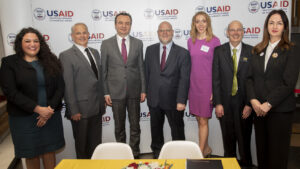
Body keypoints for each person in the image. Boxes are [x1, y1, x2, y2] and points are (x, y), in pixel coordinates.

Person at [0, 27, 65, 169]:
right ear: (20, 43)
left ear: (40, 43)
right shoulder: (9, 63)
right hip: (24, 118)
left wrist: (48, 110)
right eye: (27, 41)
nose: (32, 44)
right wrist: (38, 109)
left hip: (50, 115)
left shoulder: (51, 60)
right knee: (31, 154)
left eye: (36, 41)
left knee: (49, 151)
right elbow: (10, 92)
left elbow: (60, 87)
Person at [247, 9, 300, 169]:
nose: (275, 26)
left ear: (285, 27)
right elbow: (249, 78)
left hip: (280, 111)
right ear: (266, 26)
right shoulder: (257, 49)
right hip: (259, 110)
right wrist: (253, 100)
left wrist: (268, 104)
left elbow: (288, 82)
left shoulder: (292, 50)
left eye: (279, 23)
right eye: (271, 22)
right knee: (262, 154)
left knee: (277, 156)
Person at [101, 12, 146, 158]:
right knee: (119, 127)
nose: (124, 26)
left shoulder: (138, 43)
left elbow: (141, 68)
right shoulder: (106, 44)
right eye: (120, 23)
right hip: (115, 93)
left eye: (127, 23)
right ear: (115, 25)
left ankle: (135, 155)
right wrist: (106, 92)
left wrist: (143, 89)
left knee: (135, 126)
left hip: (134, 91)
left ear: (130, 25)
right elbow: (104, 70)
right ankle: (122, 156)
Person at [145, 21, 191, 159]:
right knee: (156, 131)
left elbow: (184, 79)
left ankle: (180, 155)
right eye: (161, 30)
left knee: (177, 131)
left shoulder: (183, 53)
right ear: (158, 33)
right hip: (154, 100)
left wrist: (181, 100)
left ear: (172, 32)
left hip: (174, 101)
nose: (164, 33)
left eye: (167, 30)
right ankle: (157, 154)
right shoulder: (150, 50)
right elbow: (147, 73)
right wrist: (147, 93)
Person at [59, 23, 105, 159]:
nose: (82, 36)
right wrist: (73, 110)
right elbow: (68, 85)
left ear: (89, 34)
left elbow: (98, 80)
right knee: (82, 146)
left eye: (84, 32)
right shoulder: (66, 55)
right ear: (72, 36)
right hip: (80, 110)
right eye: (78, 33)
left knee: (96, 145)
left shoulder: (95, 52)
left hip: (96, 108)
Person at [212, 20, 253, 167]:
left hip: (244, 105)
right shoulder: (219, 51)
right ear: (227, 33)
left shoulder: (252, 51)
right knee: (228, 141)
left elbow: (254, 80)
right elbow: (215, 79)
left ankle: (246, 165)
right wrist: (218, 103)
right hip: (225, 103)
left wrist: (250, 104)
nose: (235, 33)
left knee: (244, 141)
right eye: (232, 30)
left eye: (239, 30)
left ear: (243, 32)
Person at [187, 11, 220, 157]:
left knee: (203, 120)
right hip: (193, 86)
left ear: (208, 23)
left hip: (207, 87)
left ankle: (200, 153)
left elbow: (217, 67)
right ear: (194, 24)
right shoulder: (190, 41)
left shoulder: (214, 41)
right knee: (198, 118)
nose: (200, 24)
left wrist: (214, 89)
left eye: (203, 21)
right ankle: (206, 148)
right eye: (197, 21)